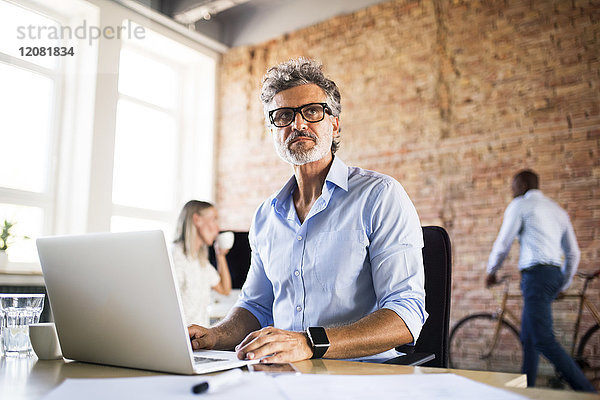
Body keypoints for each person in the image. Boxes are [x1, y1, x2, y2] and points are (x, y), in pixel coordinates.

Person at [188, 57, 427, 364]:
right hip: (282, 372)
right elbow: (256, 307)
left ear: (335, 123)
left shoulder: (379, 196)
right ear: (273, 129)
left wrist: (309, 343)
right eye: (284, 115)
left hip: (361, 376)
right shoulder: (266, 215)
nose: (298, 124)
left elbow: (406, 314)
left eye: (312, 111)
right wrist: (215, 336)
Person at [486, 170, 595, 392]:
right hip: (553, 275)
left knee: (544, 340)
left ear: (524, 184)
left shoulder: (520, 205)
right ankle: (527, 391)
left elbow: (503, 243)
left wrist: (491, 272)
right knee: (529, 338)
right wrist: (562, 284)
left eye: (514, 185)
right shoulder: (557, 210)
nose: (511, 190)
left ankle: (588, 393)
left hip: (536, 277)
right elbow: (573, 253)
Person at [172, 200, 232, 327]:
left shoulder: (200, 261)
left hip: (199, 338)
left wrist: (220, 255)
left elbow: (225, 289)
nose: (218, 228)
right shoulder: (175, 256)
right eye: (214, 219)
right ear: (197, 220)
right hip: (183, 336)